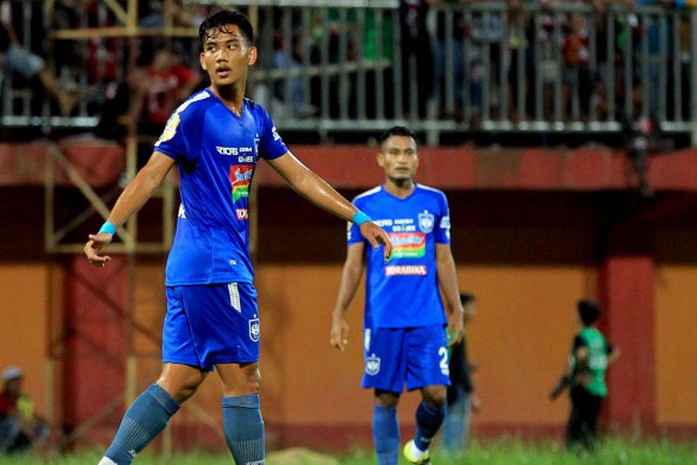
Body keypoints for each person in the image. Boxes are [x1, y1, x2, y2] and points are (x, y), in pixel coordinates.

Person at [83, 9, 392, 465]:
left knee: (181, 379)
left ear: (251, 54)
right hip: (215, 266)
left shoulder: (256, 120)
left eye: (230, 46)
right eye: (210, 49)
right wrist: (110, 227)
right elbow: (151, 174)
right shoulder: (194, 115)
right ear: (203, 63)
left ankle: (110, 464)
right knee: (244, 377)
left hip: (197, 270)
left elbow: (301, 177)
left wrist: (358, 215)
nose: (220, 56)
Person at [330, 126, 465, 465]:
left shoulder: (435, 202)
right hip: (383, 318)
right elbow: (353, 265)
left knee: (437, 394)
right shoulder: (363, 206)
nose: (401, 160)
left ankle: (419, 447)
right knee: (386, 398)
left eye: (408, 153)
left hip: (427, 317)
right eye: (394, 153)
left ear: (418, 160)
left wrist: (456, 309)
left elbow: (444, 258)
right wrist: (338, 312)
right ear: (381, 159)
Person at [550, 299, 620, 450]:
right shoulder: (599, 337)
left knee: (576, 426)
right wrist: (600, 366)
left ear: (581, 316)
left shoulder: (582, 337)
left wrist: (579, 373)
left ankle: (575, 455)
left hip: (583, 387)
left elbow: (581, 355)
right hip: (599, 387)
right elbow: (615, 352)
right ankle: (590, 453)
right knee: (591, 426)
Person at [0, 0, 77, 115]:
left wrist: (17, 49)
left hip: (8, 52)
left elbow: (7, 28)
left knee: (39, 65)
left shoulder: (4, 10)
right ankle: (63, 96)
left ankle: (63, 96)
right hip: (5, 54)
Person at [439, 292, 481, 453]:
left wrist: (468, 366)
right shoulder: (457, 331)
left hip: (448, 387)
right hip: (456, 389)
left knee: (448, 423)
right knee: (455, 425)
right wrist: (471, 393)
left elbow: (451, 361)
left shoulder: (448, 330)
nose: (474, 311)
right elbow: (458, 367)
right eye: (471, 307)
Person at [0, 366, 50, 454]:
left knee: (43, 427)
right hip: (3, 433)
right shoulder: (0, 398)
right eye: (14, 381)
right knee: (13, 423)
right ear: (6, 383)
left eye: (19, 381)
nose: (17, 384)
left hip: (24, 428)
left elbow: (33, 414)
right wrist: (29, 429)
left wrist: (47, 422)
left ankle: (23, 451)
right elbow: (14, 414)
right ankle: (2, 451)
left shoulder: (24, 398)